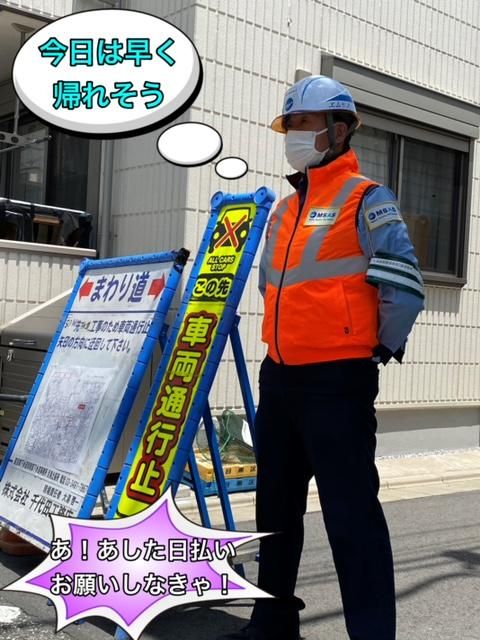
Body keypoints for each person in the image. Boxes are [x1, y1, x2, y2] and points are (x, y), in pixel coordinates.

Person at [218, 75, 425, 640]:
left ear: (339, 129)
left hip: (338, 381)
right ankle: (272, 623)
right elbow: (272, 287)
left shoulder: (366, 197)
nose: (294, 134)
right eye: (290, 125)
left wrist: (375, 347)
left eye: (304, 123)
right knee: (274, 511)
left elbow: (404, 285)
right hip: (280, 377)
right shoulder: (284, 210)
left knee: (351, 516)